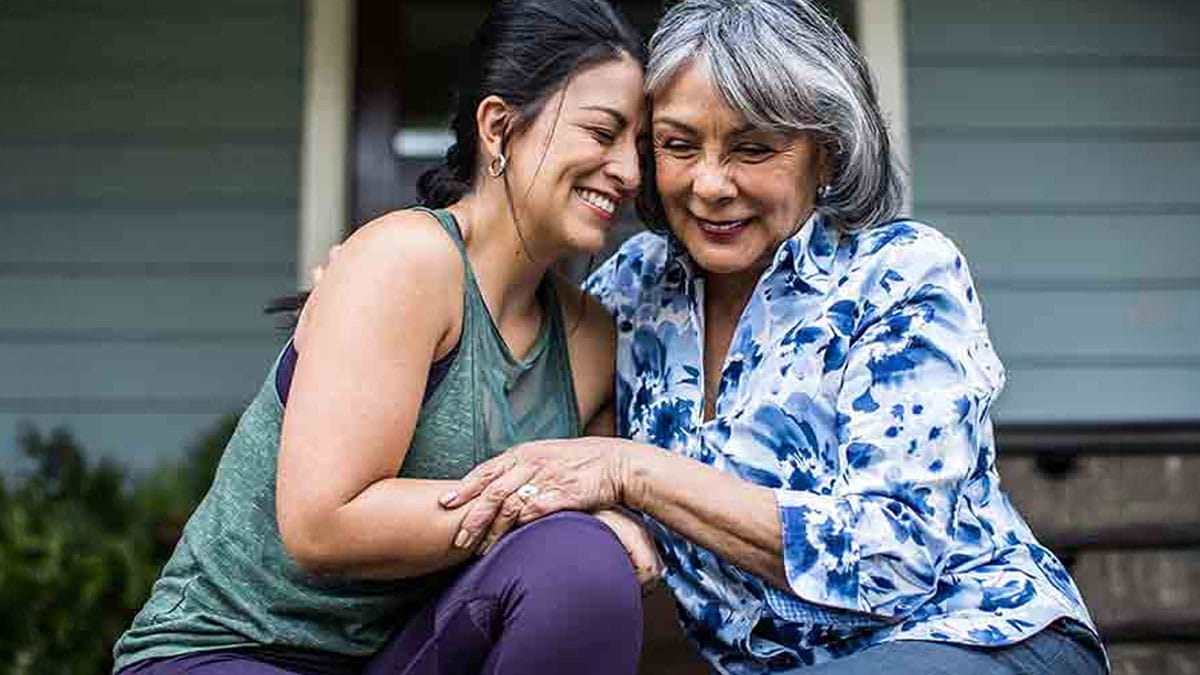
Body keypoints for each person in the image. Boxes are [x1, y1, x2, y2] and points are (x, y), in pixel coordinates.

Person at [438, 1, 1110, 673]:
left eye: (753, 148)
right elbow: (545, 441)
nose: (709, 185)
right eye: (678, 146)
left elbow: (891, 560)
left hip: (980, 636)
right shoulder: (630, 289)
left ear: (827, 154)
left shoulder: (899, 274)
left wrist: (632, 472)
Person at [111, 2, 659, 674]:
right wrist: (537, 503)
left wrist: (605, 521)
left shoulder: (592, 339)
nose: (630, 172)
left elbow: (593, 537)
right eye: (602, 133)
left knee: (582, 565)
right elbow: (323, 524)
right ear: (499, 127)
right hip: (237, 650)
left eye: (640, 146)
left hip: (404, 655)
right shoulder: (407, 261)